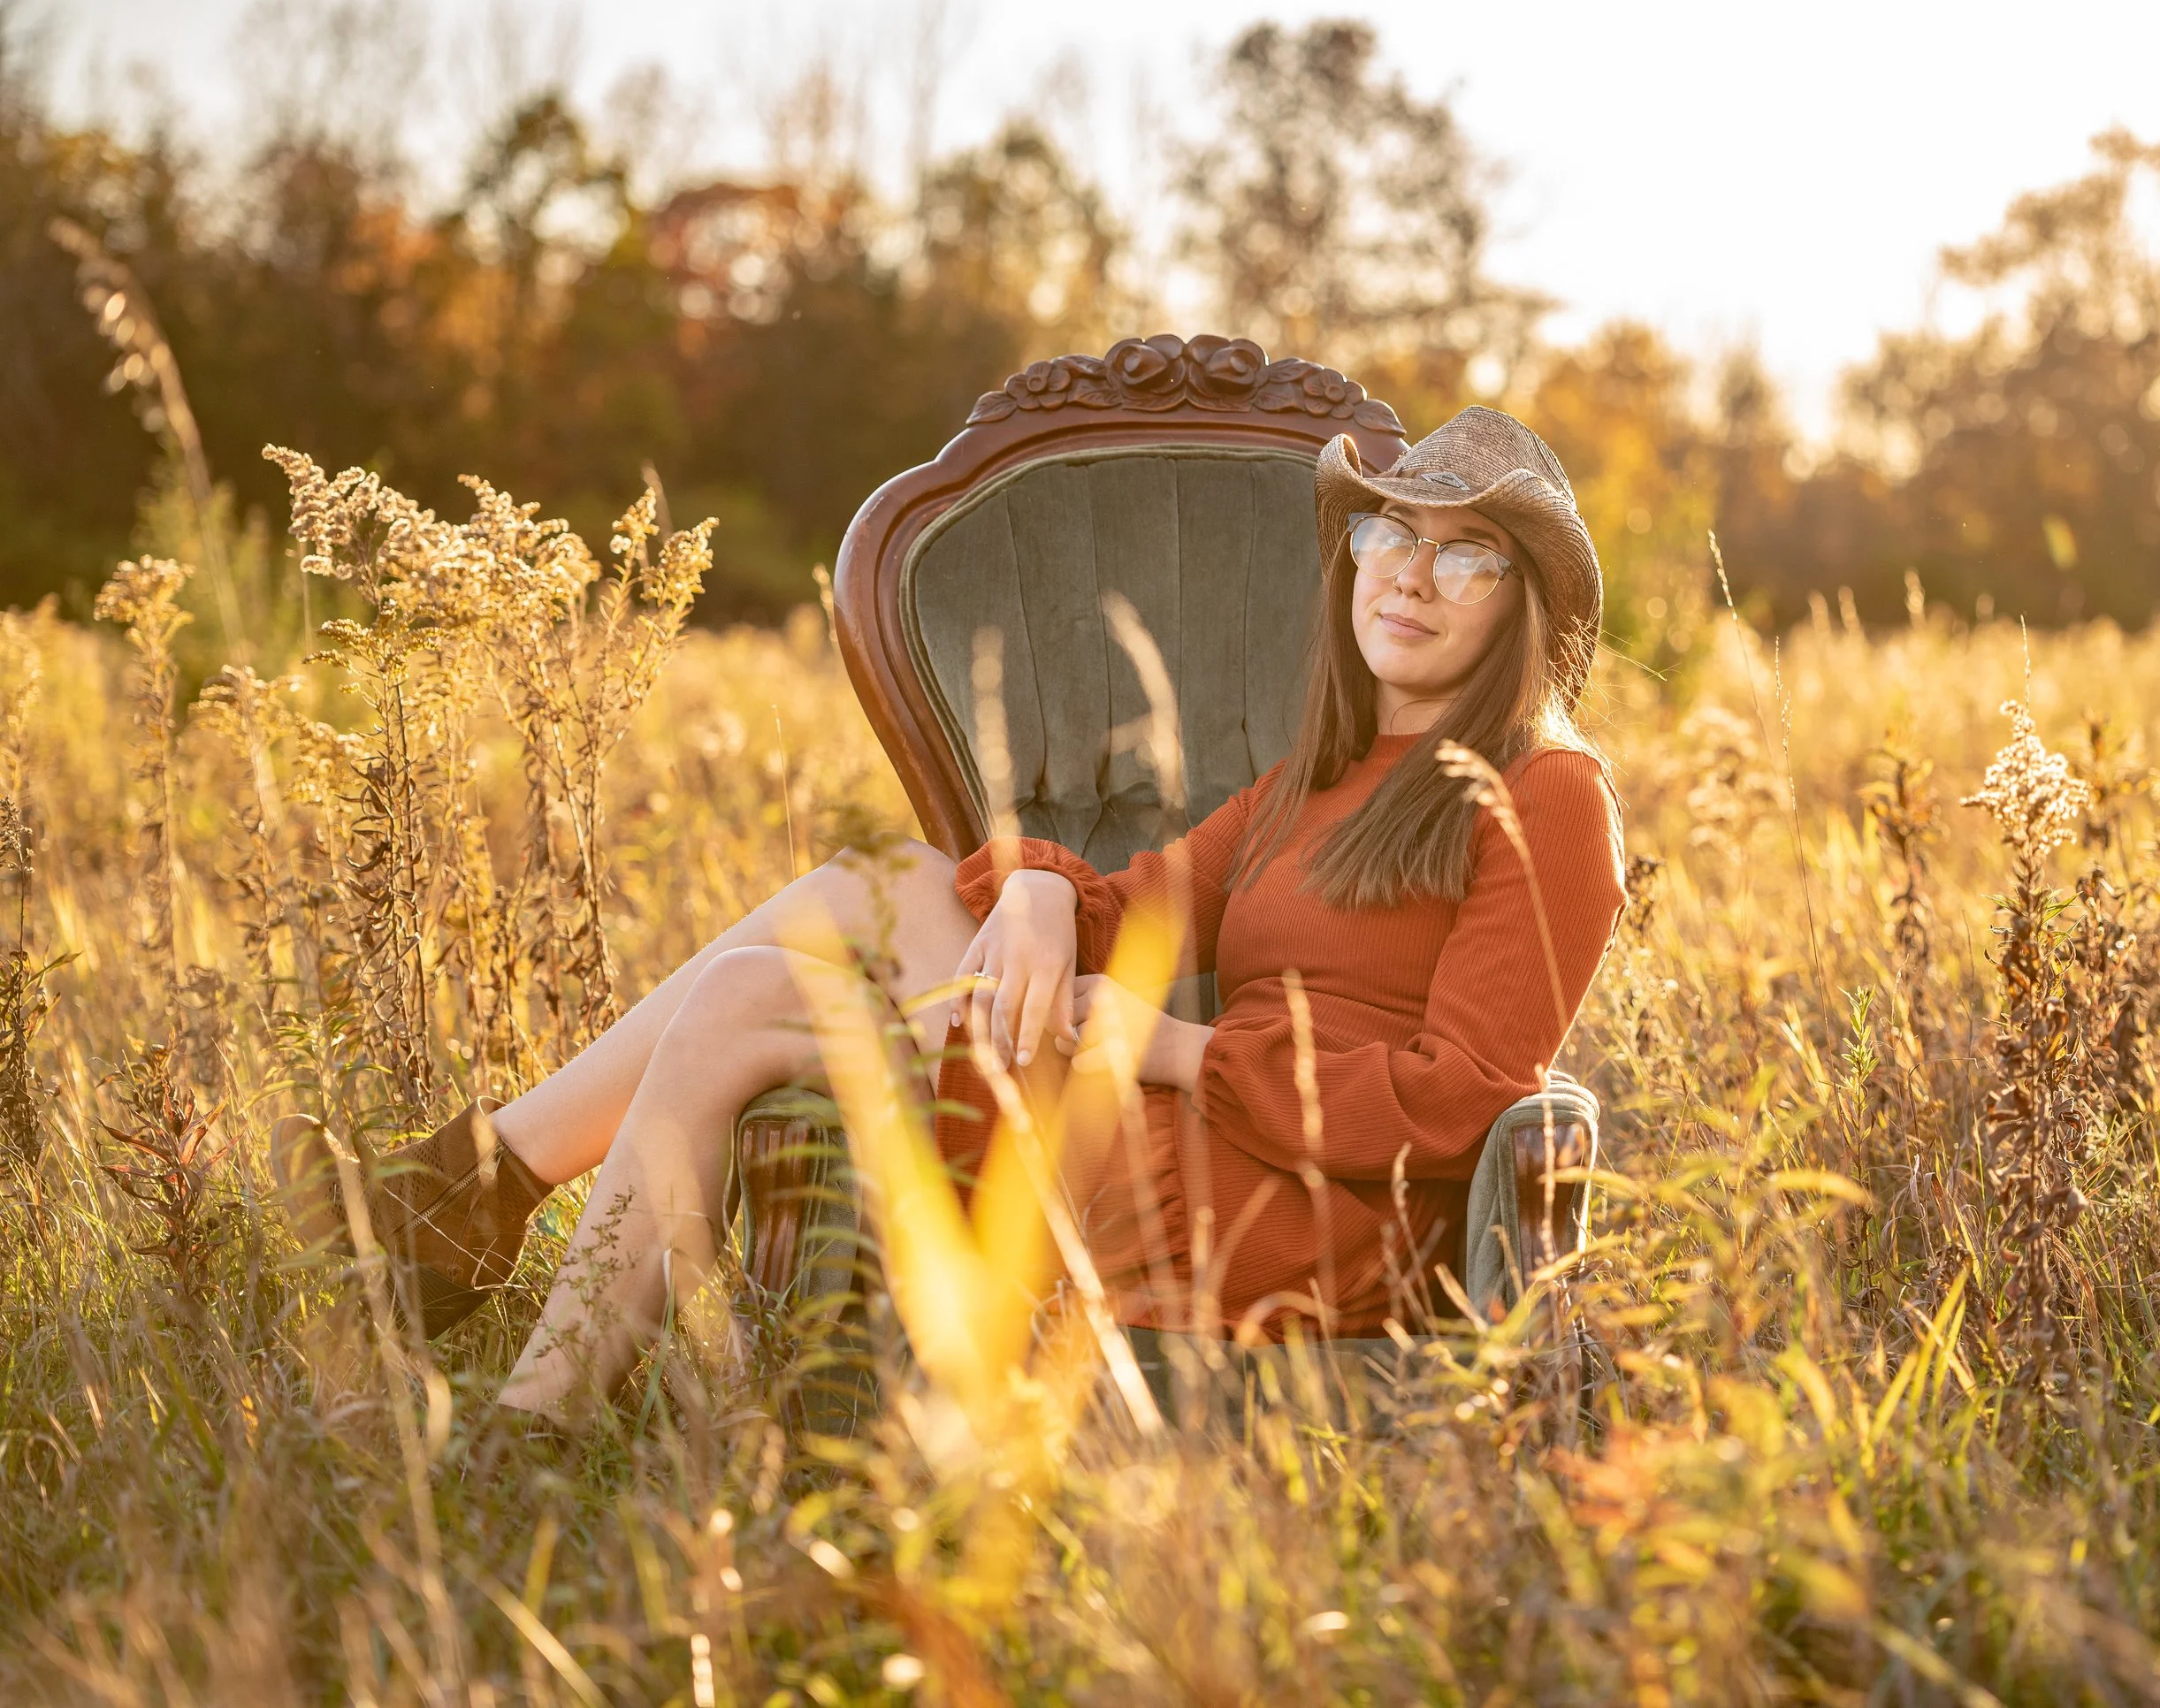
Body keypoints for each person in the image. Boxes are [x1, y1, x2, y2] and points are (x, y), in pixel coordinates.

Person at [271, 403, 1628, 1426]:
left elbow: (1460, 1104)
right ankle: (532, 1420)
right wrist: (1041, 880)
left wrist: (1169, 1050)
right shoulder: (1314, 782)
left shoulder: (1550, 790)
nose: (1407, 573)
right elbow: (1132, 906)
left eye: (1467, 557)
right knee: (797, 959)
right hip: (1168, 1136)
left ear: (1526, 606)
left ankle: (481, 1186)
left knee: (834, 922)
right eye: (1391, 533)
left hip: (1300, 1211)